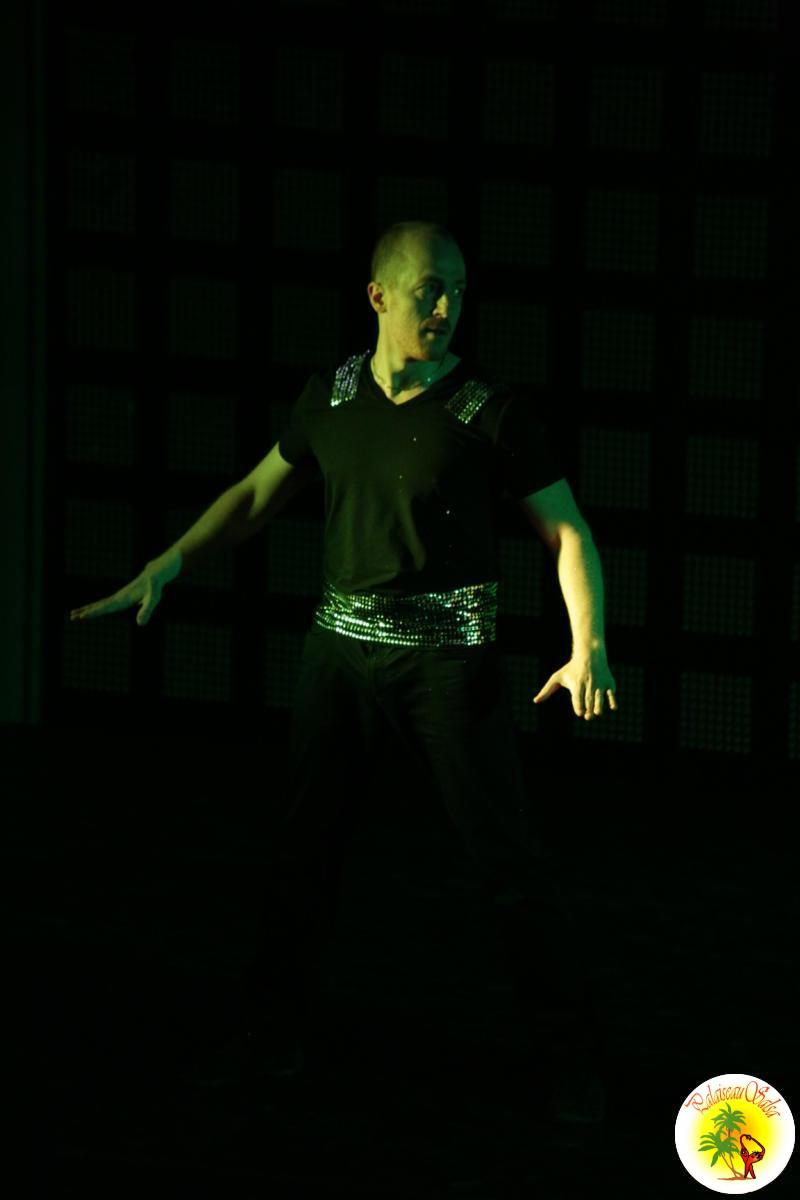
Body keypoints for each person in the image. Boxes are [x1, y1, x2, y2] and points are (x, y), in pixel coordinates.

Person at [69, 219, 619, 1122]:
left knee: (507, 865)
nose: (445, 306)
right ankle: (270, 1032)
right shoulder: (328, 397)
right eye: (429, 288)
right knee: (302, 855)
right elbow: (254, 493)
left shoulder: (488, 409)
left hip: (450, 666)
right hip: (339, 659)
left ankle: (571, 1062)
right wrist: (170, 561)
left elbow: (567, 533)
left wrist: (586, 643)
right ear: (379, 295)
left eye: (458, 290)